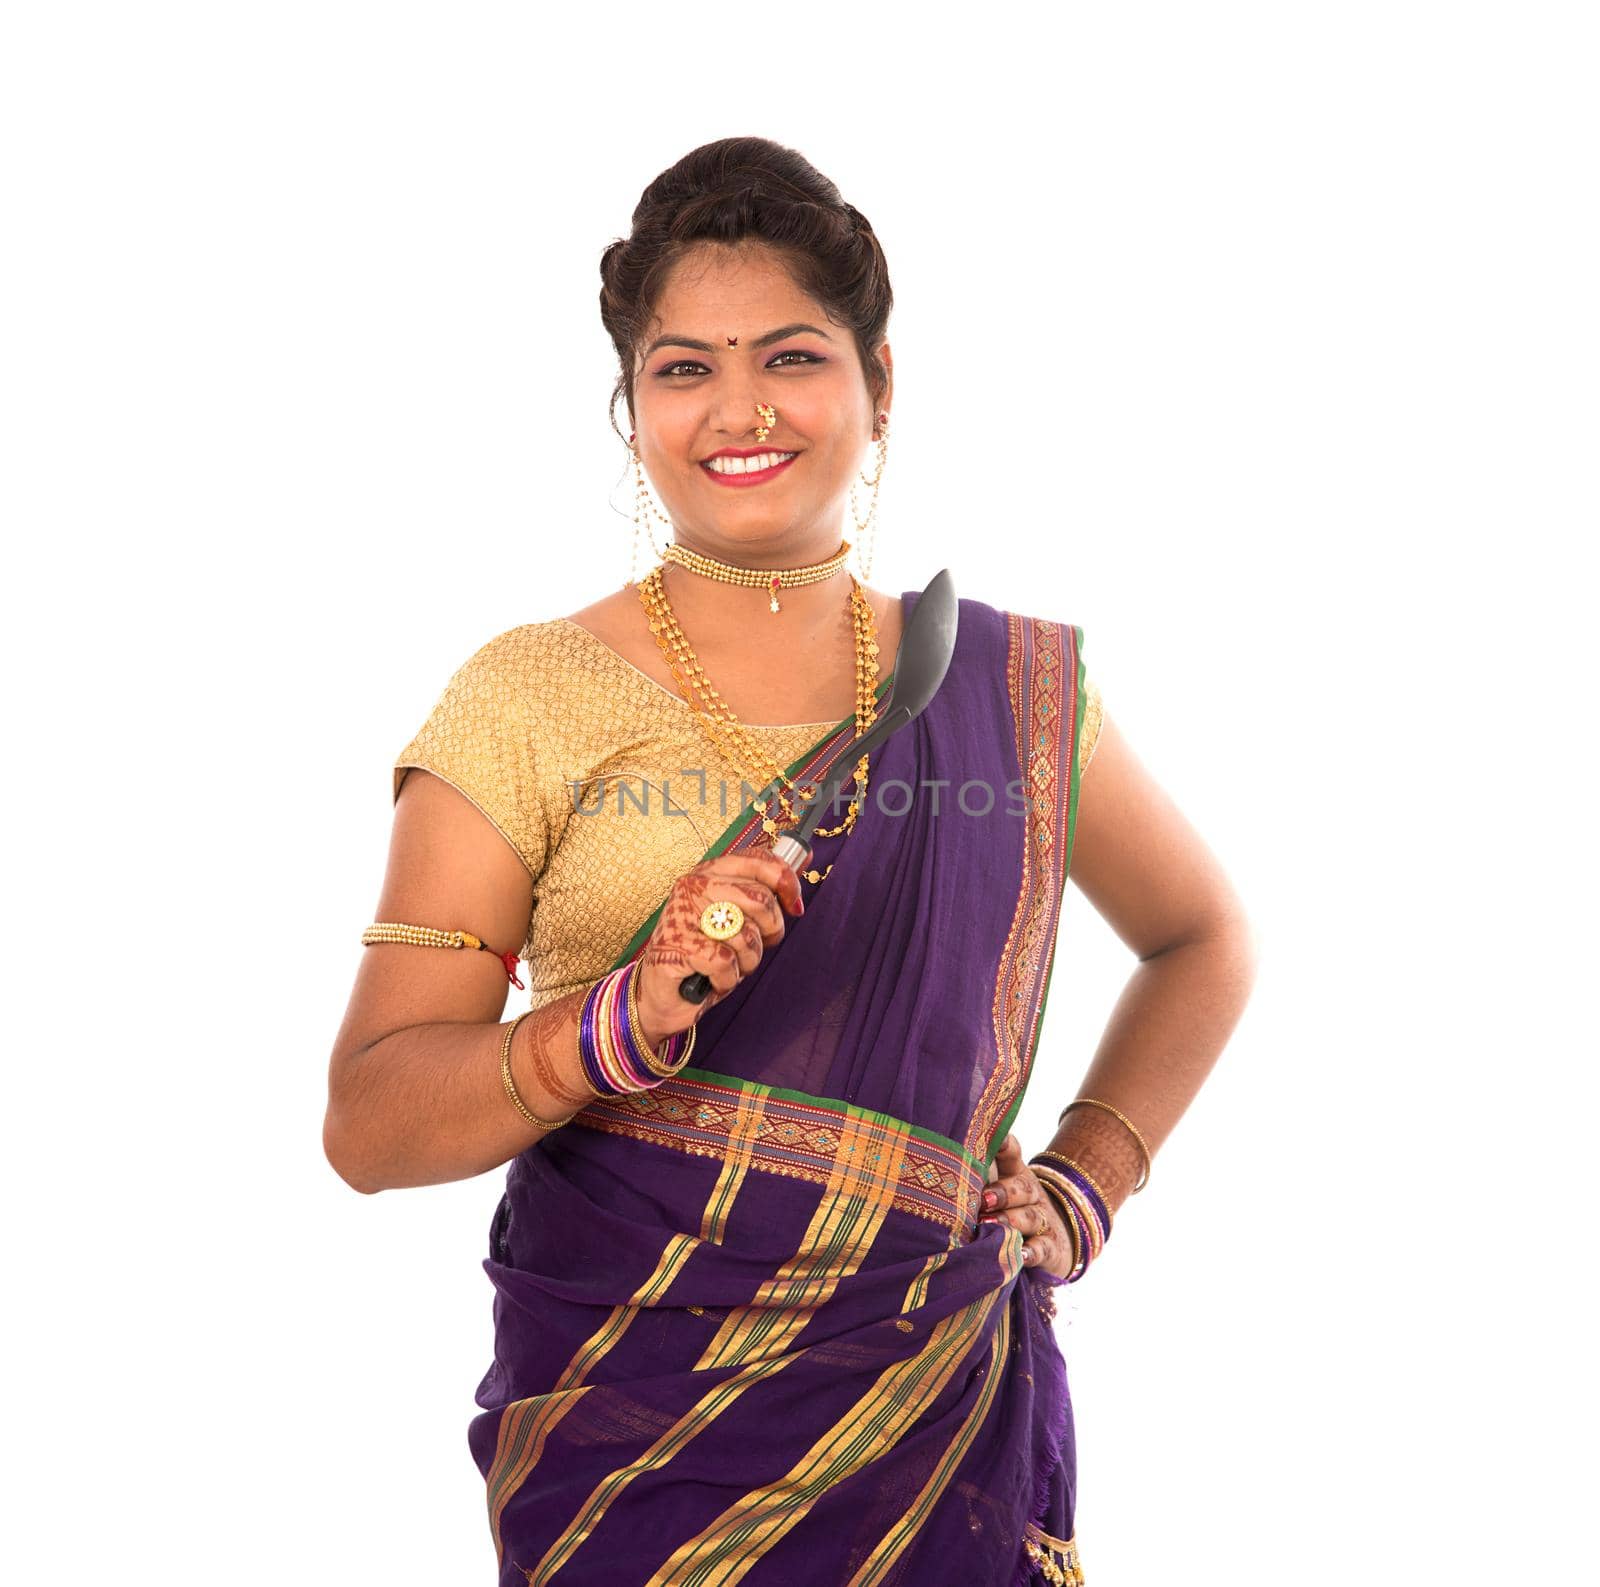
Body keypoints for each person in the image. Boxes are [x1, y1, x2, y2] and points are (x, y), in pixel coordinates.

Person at [323, 135, 1258, 1587]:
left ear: (881, 387)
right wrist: (610, 1026)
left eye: (793, 359)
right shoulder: (530, 694)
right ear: (629, 406)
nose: (740, 410)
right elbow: (370, 1125)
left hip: (930, 1419)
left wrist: (1085, 1184)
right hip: (639, 1446)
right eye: (684, 367)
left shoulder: (1006, 692)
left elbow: (1204, 937)